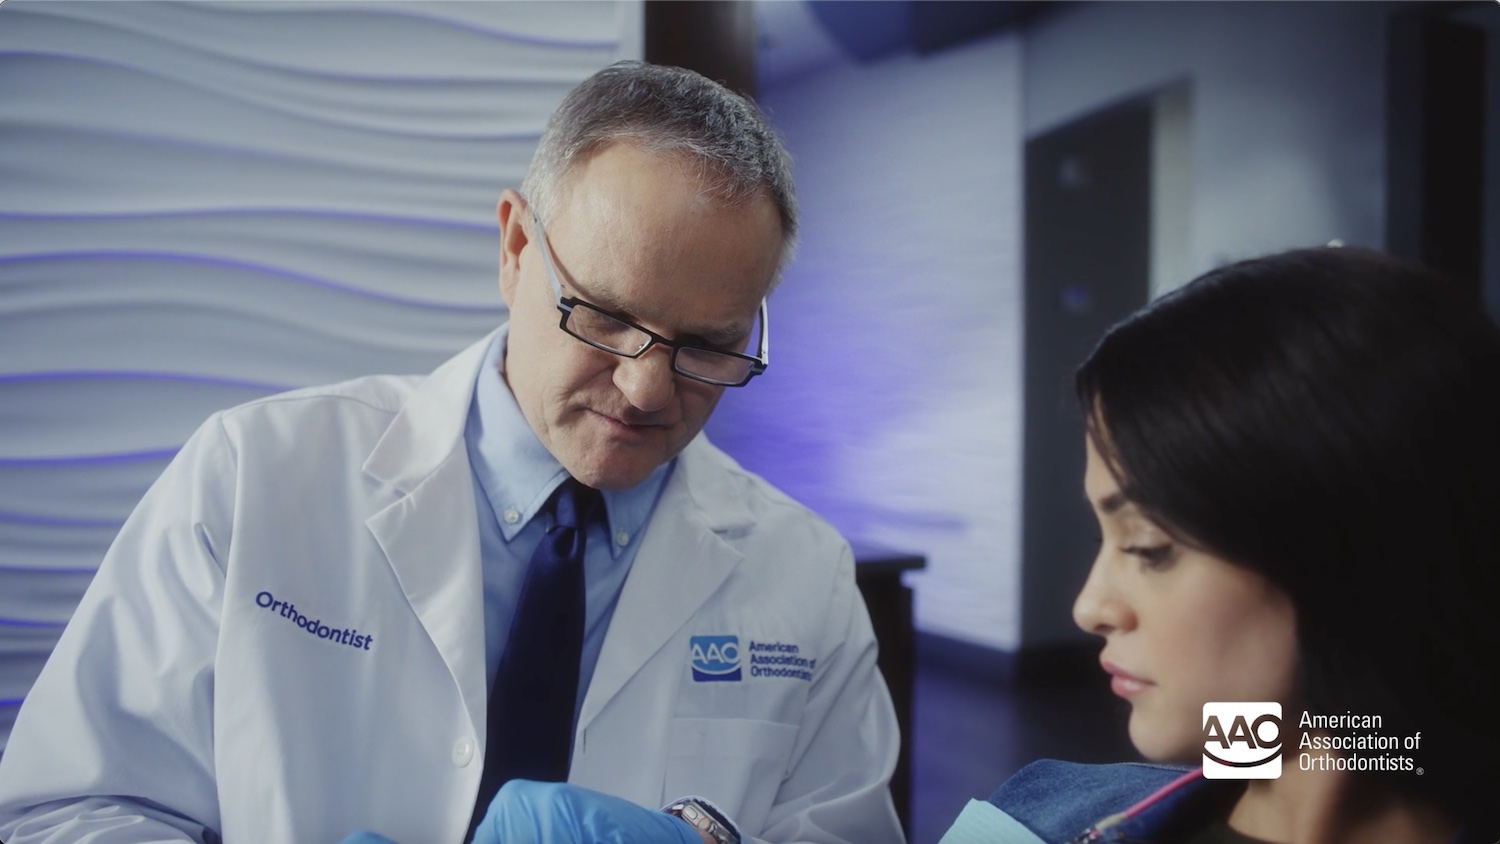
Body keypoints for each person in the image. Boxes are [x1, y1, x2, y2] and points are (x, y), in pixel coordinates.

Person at [0, 61, 903, 844]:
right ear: (515, 248)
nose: (647, 391)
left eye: (706, 345)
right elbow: (72, 805)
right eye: (606, 317)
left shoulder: (804, 574)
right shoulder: (254, 476)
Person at [940, 247, 1500, 844]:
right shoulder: (1032, 821)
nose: (1090, 607)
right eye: (1105, 537)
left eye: (1148, 546)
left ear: (1355, 551)